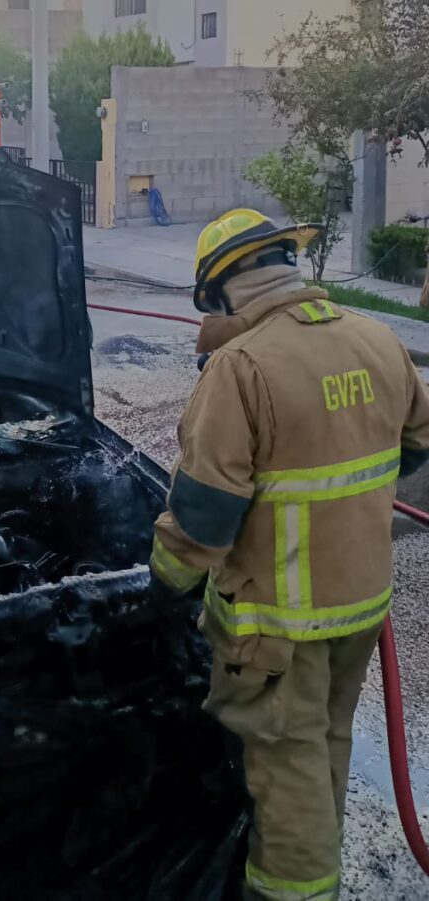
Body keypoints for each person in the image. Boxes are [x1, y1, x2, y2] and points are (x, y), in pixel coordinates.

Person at [149, 208, 429, 901]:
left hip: (279, 626)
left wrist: (161, 582)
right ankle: (322, 867)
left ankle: (293, 892)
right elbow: (416, 445)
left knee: (287, 763)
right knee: (326, 743)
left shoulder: (241, 367)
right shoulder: (377, 339)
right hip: (361, 605)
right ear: (286, 263)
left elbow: (204, 517)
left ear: (219, 292)